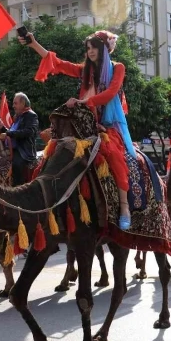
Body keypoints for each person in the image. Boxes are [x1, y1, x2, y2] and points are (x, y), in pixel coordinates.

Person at [21, 29, 136, 230]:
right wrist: (33, 43)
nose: (90, 51)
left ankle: (124, 207)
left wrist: (83, 101)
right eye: (88, 48)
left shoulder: (118, 68)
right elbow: (58, 64)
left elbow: (110, 93)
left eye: (94, 48)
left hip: (107, 126)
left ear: (104, 49)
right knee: (53, 149)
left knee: (113, 155)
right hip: (83, 123)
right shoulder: (85, 71)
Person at [0, 92, 39, 186]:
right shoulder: (18, 117)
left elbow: (29, 132)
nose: (13, 106)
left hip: (23, 151)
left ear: (23, 103)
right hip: (12, 149)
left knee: (16, 165)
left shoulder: (31, 115)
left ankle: (18, 191)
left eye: (15, 103)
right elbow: (11, 132)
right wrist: (2, 128)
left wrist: (7, 133)